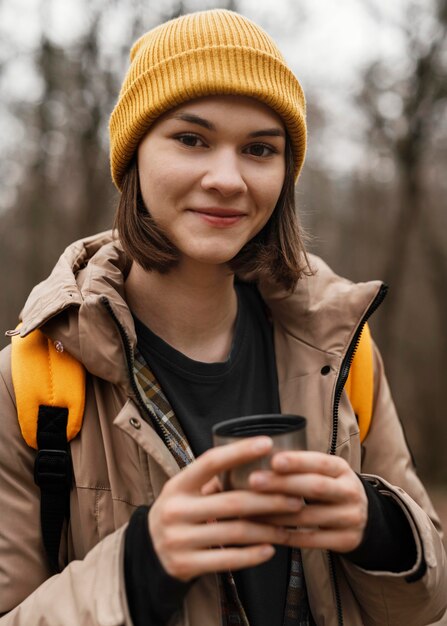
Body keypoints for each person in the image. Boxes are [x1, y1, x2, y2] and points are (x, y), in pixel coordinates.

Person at [0, 8, 446, 626]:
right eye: (191, 139)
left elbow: (427, 602)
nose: (227, 178)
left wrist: (380, 529)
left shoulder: (340, 349)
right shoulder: (32, 380)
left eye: (260, 149)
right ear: (133, 157)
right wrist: (139, 567)